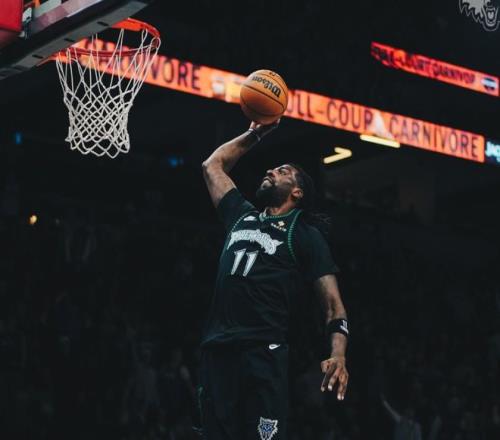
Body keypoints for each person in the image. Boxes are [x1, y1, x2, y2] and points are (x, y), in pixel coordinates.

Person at [197, 119, 349, 439]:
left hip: (262, 354)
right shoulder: (240, 215)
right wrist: (256, 133)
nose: (271, 171)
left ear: (297, 192)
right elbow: (212, 165)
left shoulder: (304, 234)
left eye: (282, 171)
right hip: (218, 350)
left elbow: (333, 305)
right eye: (273, 168)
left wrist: (338, 353)